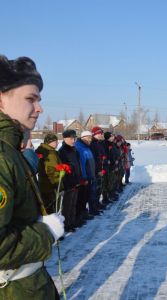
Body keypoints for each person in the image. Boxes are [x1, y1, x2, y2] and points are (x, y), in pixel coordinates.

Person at [0, 55, 64, 299]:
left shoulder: (11, 149)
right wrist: (44, 233)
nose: (40, 108)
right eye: (30, 99)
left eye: (39, 100)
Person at [58, 130, 82, 232]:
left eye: (74, 138)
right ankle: (66, 224)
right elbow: (62, 169)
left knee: (73, 204)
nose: (73, 140)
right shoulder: (62, 151)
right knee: (67, 206)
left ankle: (72, 222)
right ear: (65, 138)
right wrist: (65, 184)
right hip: (68, 182)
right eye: (71, 138)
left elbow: (77, 165)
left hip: (76, 180)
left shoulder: (74, 150)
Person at [75, 131, 101, 217]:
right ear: (83, 137)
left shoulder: (87, 147)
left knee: (92, 194)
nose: (90, 139)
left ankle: (92, 210)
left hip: (91, 175)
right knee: (84, 197)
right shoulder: (80, 148)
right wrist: (84, 177)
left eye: (91, 138)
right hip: (86, 177)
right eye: (89, 138)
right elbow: (82, 164)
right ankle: (83, 214)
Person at [36, 133, 63, 214]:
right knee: (53, 210)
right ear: (49, 142)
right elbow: (52, 171)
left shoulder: (45, 150)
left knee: (48, 209)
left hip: (44, 185)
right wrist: (59, 186)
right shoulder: (50, 153)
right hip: (51, 187)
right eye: (55, 141)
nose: (57, 143)